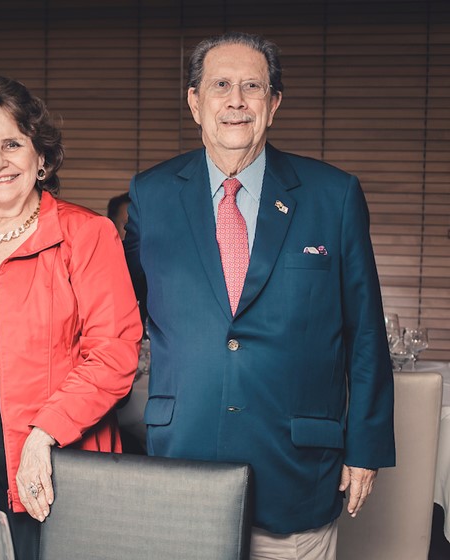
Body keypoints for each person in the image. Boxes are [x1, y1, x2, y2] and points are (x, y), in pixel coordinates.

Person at [124, 32, 395, 559]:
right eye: (220, 85)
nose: (236, 101)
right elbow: (115, 312)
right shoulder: (151, 195)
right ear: (194, 101)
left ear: (273, 105)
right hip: (183, 462)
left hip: (296, 468)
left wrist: (365, 448)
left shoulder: (332, 195)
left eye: (253, 86)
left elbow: (365, 332)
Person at [0, 76, 142, 560]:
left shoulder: (87, 234)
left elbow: (114, 354)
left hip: (52, 460)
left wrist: (44, 434)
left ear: (40, 158)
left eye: (12, 144)